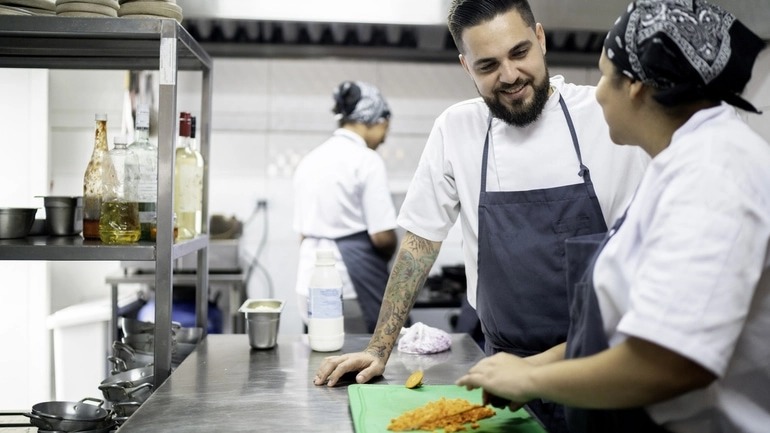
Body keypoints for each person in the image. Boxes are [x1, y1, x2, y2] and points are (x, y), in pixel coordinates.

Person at [314, 1, 649, 431]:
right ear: (465, 66)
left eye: (520, 53)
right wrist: (380, 348)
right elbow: (419, 244)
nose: (509, 76)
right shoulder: (456, 130)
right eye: (488, 65)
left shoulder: (604, 118)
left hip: (597, 370)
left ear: (541, 39)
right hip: (503, 375)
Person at [456, 0, 769, 432]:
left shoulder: (713, 175)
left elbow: (672, 361)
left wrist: (532, 377)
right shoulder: (677, 164)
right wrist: (526, 366)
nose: (599, 91)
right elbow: (624, 326)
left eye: (605, 75)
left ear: (637, 86)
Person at [293, 80, 398, 334]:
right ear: (377, 120)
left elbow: (303, 234)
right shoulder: (367, 160)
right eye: (385, 128)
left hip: (307, 279)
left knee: (321, 353)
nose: (384, 138)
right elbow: (382, 236)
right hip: (350, 285)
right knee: (358, 359)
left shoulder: (310, 160)